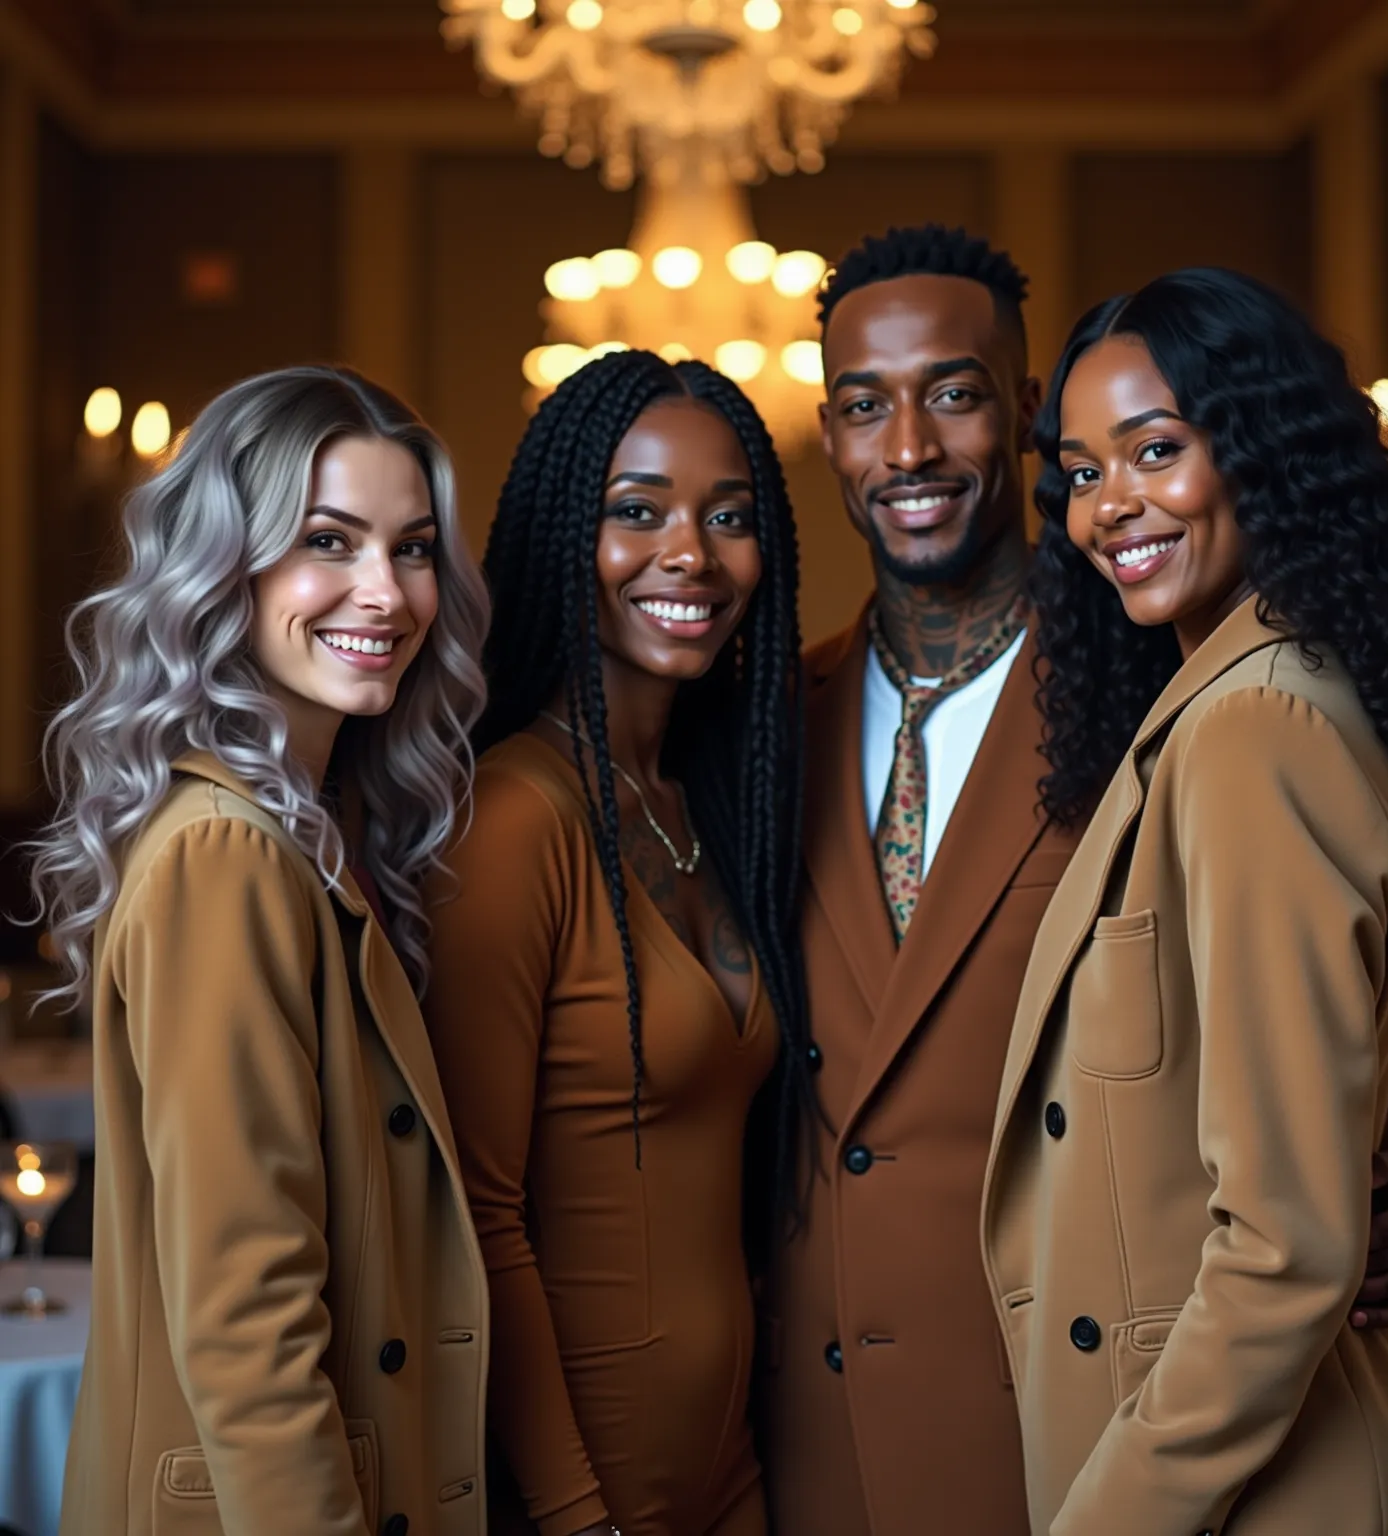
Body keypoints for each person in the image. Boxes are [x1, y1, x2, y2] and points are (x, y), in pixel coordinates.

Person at [763, 227, 1388, 1536]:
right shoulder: (758, 721)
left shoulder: (1194, 695)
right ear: (828, 434)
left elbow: (1309, 1099)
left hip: (1106, 1430)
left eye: (956, 395)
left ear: (1013, 412)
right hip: (834, 1428)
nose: (908, 447)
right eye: (866, 406)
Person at [982, 267, 1388, 1533]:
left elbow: (1285, 1248)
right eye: (1083, 472)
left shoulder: (1254, 727)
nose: (1112, 507)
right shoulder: (1256, 700)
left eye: (1156, 449)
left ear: (1259, 451)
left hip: (1259, 1487)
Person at [31, 365, 494, 1536]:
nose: (383, 593)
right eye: (326, 542)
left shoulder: (307, 831)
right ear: (222, 568)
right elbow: (249, 1320)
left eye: (413, 548)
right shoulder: (223, 854)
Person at [422, 350, 811, 1536]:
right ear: (559, 538)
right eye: (634, 513)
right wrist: (576, 1510)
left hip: (735, 1466)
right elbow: (476, 1214)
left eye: (729, 516)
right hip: (586, 1490)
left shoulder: (713, 806)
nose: (689, 553)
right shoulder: (515, 817)